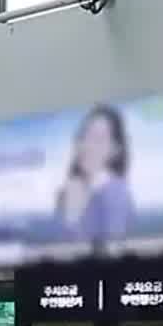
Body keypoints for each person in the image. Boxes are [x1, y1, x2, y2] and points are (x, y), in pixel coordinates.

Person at [62, 104, 135, 248]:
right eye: (84, 135)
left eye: (98, 139)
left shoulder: (115, 193)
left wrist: (73, 215)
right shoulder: (79, 190)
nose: (87, 145)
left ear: (115, 149)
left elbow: (110, 253)